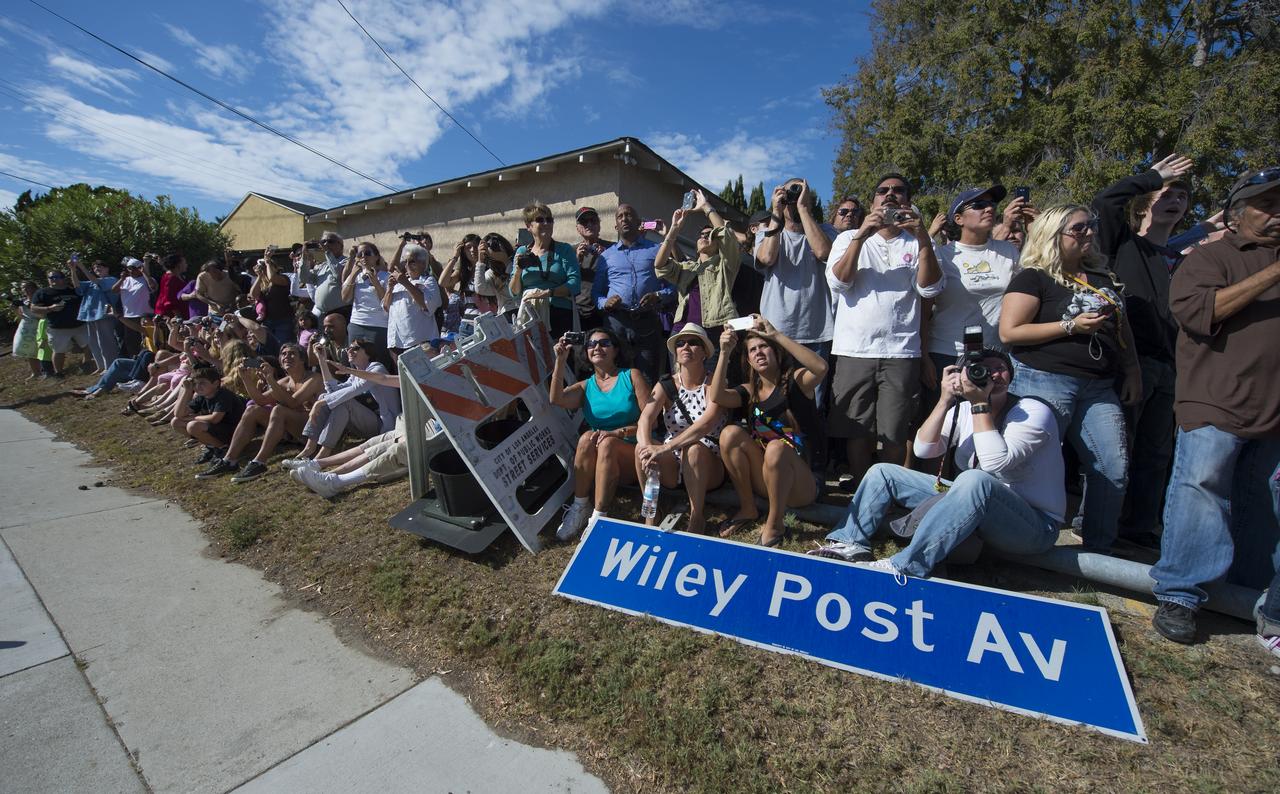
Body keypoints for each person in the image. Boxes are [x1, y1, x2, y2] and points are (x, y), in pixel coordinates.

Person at [1149, 167, 1280, 648]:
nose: (1277, 215)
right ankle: (1181, 594)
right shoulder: (1211, 258)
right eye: (1267, 205)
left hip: (1273, 412)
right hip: (1216, 401)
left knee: (1263, 503)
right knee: (1202, 490)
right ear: (1239, 214)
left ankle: (1249, 594)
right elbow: (1195, 313)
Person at [808, 351, 1064, 578]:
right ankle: (849, 543)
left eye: (999, 367)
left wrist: (979, 404)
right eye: (980, 369)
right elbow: (924, 449)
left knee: (974, 479)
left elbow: (995, 463)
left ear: (1011, 374)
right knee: (883, 472)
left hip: (1034, 525)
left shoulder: (1032, 411)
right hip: (978, 507)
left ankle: (908, 566)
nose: (991, 374)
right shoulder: (964, 410)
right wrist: (944, 400)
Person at [999, 205, 1142, 552]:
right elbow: (1009, 332)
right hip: (1043, 380)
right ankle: (1013, 538)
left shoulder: (1104, 279)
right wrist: (1070, 326)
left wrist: (1133, 369)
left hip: (1099, 385)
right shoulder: (1032, 277)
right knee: (1027, 466)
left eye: (1091, 226)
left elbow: (1123, 330)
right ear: (1053, 235)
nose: (1089, 233)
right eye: (1079, 229)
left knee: (1113, 465)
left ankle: (1098, 551)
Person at [1092, 154, 1195, 548]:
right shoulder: (1121, 244)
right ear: (1145, 205)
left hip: (1173, 366)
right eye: (1167, 194)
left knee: (1156, 453)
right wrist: (1154, 176)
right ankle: (1100, 525)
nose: (1175, 200)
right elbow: (1105, 203)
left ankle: (1139, 527)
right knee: (1117, 448)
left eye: (1182, 197)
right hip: (1127, 361)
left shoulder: (1184, 261)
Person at [826, 174, 945, 487]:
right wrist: (861, 235)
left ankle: (886, 488)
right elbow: (839, 282)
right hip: (854, 349)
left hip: (901, 350)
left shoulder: (920, 241)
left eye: (899, 191)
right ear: (872, 202)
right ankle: (865, 487)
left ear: (907, 201)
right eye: (883, 191)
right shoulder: (847, 238)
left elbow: (930, 288)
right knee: (857, 429)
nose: (890, 196)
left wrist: (922, 239)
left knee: (894, 431)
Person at [709, 316, 828, 546]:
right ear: (749, 361)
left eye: (764, 346)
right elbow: (717, 397)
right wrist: (724, 352)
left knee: (775, 447)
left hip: (804, 485)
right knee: (730, 434)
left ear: (776, 352)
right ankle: (748, 508)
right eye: (753, 350)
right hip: (769, 480)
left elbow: (821, 367)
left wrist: (775, 334)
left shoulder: (796, 381)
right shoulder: (749, 391)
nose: (759, 352)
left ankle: (775, 524)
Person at [550, 328, 651, 541]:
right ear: (586, 352)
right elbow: (556, 399)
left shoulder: (631, 376)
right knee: (587, 437)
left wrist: (618, 432)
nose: (597, 347)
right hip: (601, 456)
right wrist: (560, 360)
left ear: (615, 350)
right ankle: (580, 507)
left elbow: (651, 421)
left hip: (633, 452)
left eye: (604, 343)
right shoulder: (587, 386)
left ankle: (599, 517)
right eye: (591, 344)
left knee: (607, 442)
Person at [924, 185, 1022, 400]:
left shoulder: (1008, 251)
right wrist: (925, 357)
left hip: (996, 355)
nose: (988, 209)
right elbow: (924, 310)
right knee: (949, 427)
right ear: (958, 219)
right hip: (948, 352)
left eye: (991, 205)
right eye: (979, 205)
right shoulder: (943, 255)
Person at [634, 324, 727, 534]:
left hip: (706, 460)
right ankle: (651, 513)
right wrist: (647, 447)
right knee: (641, 449)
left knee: (693, 448)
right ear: (675, 352)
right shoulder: (666, 384)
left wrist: (664, 449)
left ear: (704, 352)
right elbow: (645, 419)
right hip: (672, 461)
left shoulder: (714, 383)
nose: (686, 346)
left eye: (693, 343)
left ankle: (697, 517)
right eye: (680, 343)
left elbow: (706, 424)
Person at [751, 178, 835, 406]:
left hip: (816, 333)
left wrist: (803, 208)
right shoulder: (767, 232)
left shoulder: (826, 231)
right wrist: (776, 213)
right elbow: (767, 257)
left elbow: (823, 252)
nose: (793, 197)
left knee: (812, 406)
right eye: (789, 193)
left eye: (799, 192)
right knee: (775, 402)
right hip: (776, 331)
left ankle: (809, 443)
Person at [195, 344, 322, 481]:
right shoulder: (285, 382)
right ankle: (229, 460)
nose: (287, 357)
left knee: (279, 410)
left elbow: (293, 403)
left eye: (292, 354)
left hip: (313, 431)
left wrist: (270, 380)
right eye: (283, 354)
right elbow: (260, 400)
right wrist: (245, 378)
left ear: (302, 360)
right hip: (293, 431)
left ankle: (259, 462)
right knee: (252, 409)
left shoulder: (314, 378)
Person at [592, 204, 671, 383]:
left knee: (648, 378)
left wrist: (658, 296)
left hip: (647, 322)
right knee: (616, 378)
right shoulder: (606, 256)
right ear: (616, 226)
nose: (625, 219)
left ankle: (647, 412)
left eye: (629, 215)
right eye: (620, 216)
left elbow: (673, 288)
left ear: (638, 222)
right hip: (616, 324)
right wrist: (606, 302)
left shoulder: (656, 250)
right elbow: (596, 293)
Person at [290, 339, 401, 463]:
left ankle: (321, 456)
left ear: (368, 353)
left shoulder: (376, 368)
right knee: (324, 397)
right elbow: (333, 391)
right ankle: (309, 449)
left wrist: (319, 404)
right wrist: (322, 360)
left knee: (342, 402)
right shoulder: (354, 376)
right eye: (348, 348)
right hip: (368, 422)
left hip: (385, 425)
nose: (350, 351)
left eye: (355, 348)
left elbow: (356, 389)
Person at [654, 190, 741, 337]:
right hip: (681, 331)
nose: (705, 237)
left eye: (710, 235)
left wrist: (706, 206)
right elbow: (660, 265)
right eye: (702, 235)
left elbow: (725, 235)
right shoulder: (687, 267)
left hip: (714, 331)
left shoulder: (725, 265)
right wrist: (674, 228)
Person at [511, 203, 581, 337]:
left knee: (559, 355)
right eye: (540, 220)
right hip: (530, 314)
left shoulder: (564, 250)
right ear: (529, 226)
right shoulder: (522, 251)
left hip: (559, 313)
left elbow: (575, 284)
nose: (546, 223)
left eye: (549, 220)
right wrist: (518, 270)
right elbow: (514, 292)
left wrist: (547, 293)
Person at [178, 367, 248, 466]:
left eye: (202, 383)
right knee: (176, 422)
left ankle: (223, 449)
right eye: (195, 384)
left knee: (193, 426)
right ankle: (212, 447)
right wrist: (186, 391)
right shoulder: (202, 396)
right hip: (218, 429)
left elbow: (215, 419)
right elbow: (179, 415)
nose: (198, 386)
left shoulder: (223, 395)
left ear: (215, 383)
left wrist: (195, 417)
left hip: (235, 431)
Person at [383, 242, 441, 356]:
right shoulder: (398, 283)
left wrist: (405, 283)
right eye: (405, 262)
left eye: (412, 261)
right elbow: (385, 307)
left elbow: (428, 305)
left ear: (423, 264)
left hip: (420, 342)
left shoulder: (428, 281)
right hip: (396, 343)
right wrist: (389, 289)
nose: (407, 265)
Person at [30, 268, 85, 377]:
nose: (54, 279)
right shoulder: (42, 292)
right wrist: (50, 308)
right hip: (57, 327)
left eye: (57, 277)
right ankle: (59, 373)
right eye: (51, 278)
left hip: (79, 325)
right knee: (59, 350)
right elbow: (33, 308)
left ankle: (86, 366)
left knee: (88, 346)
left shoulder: (72, 290)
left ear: (63, 279)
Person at [68, 258, 120, 374]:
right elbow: (77, 286)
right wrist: (73, 269)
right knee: (93, 342)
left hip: (104, 315)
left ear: (107, 268)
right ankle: (100, 366)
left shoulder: (111, 280)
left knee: (106, 342)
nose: (97, 269)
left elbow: (97, 281)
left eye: (101, 266)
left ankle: (110, 366)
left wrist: (81, 266)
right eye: (95, 267)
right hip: (90, 315)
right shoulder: (90, 283)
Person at [341, 242, 390, 347]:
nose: (363, 257)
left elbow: (386, 302)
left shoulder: (386, 277)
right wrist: (354, 273)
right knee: (355, 359)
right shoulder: (355, 276)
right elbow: (345, 298)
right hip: (356, 323)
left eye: (367, 253)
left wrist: (375, 281)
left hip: (378, 325)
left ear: (376, 257)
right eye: (360, 254)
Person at [573, 207, 612, 332]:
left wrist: (607, 257)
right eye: (584, 222)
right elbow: (564, 280)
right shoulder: (570, 251)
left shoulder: (613, 248)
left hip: (607, 310)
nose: (589, 224)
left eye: (593, 221)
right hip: (579, 312)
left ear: (599, 225)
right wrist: (576, 260)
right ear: (577, 228)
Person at [296, 231, 351, 319]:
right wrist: (305, 257)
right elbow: (304, 278)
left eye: (330, 241)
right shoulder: (323, 265)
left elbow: (339, 275)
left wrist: (327, 252)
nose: (326, 244)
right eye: (323, 241)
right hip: (322, 313)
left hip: (340, 312)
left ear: (341, 246)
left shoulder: (348, 261)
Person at [112, 258, 156, 355]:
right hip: (129, 316)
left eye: (134, 268)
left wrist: (144, 273)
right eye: (129, 269)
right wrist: (122, 278)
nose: (131, 271)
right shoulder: (126, 280)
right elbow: (114, 290)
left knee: (147, 340)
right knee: (132, 343)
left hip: (144, 315)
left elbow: (153, 287)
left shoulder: (147, 279)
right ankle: (135, 361)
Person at [250, 250, 295, 343]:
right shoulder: (262, 284)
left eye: (265, 268)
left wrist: (267, 262)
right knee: (268, 345)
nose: (264, 270)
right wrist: (259, 276)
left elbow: (272, 278)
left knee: (281, 344)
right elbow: (254, 295)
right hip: (268, 320)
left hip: (283, 319)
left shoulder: (283, 278)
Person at [440, 235, 481, 333]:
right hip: (467, 324)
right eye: (468, 247)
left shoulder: (489, 269)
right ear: (463, 251)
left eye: (476, 246)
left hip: (487, 322)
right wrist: (455, 257)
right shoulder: (464, 272)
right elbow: (443, 282)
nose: (473, 250)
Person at [473, 233, 518, 318]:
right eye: (490, 245)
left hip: (525, 311)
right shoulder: (492, 273)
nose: (496, 246)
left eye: (497, 242)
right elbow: (480, 289)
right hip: (508, 316)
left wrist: (508, 263)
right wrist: (480, 261)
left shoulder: (518, 261)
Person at [10, 280, 43, 380]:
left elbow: (41, 314)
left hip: (39, 326)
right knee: (29, 350)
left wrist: (29, 305)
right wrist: (15, 309)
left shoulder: (40, 298)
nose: (26, 290)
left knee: (42, 349)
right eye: (23, 288)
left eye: (28, 287)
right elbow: (21, 316)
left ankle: (46, 369)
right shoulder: (22, 301)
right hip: (26, 328)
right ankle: (35, 372)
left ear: (34, 287)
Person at [153, 254, 189, 319]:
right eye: (184, 263)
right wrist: (178, 317)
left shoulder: (176, 275)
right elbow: (168, 299)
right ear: (178, 265)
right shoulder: (170, 278)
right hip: (170, 314)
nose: (186, 265)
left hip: (178, 311)